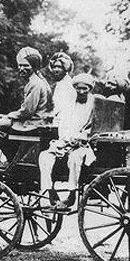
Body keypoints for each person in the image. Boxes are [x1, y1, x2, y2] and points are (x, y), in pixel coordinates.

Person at [38, 73, 97, 209]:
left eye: (85, 89)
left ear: (90, 89)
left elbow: (94, 128)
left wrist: (81, 137)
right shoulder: (69, 103)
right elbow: (63, 124)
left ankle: (72, 195)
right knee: (44, 157)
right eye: (78, 88)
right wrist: (65, 139)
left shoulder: (94, 104)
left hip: (83, 144)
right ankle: (50, 193)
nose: (81, 91)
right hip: (65, 142)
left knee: (75, 158)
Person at [0, 47, 52, 162]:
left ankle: (14, 158)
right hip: (36, 121)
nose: (22, 68)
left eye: (26, 66)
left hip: (33, 124)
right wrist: (6, 116)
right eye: (20, 65)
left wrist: (8, 116)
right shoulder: (39, 80)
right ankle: (17, 156)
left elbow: (27, 111)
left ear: (34, 66)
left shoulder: (35, 84)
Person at [47, 52, 76, 126]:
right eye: (54, 67)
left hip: (64, 122)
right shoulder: (60, 83)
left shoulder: (68, 84)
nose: (56, 70)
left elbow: (65, 108)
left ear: (66, 69)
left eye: (59, 67)